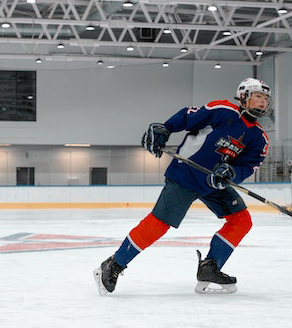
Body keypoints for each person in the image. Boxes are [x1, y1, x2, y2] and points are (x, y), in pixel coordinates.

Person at [94, 78, 272, 295]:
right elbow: (188, 116)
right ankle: (114, 264)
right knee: (159, 223)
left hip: (212, 183)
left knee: (241, 220)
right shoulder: (223, 110)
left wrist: (232, 173)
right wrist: (166, 128)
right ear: (243, 96)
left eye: (265, 99)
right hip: (185, 175)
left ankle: (210, 267)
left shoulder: (259, 138)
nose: (262, 102)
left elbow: (248, 164)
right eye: (258, 96)